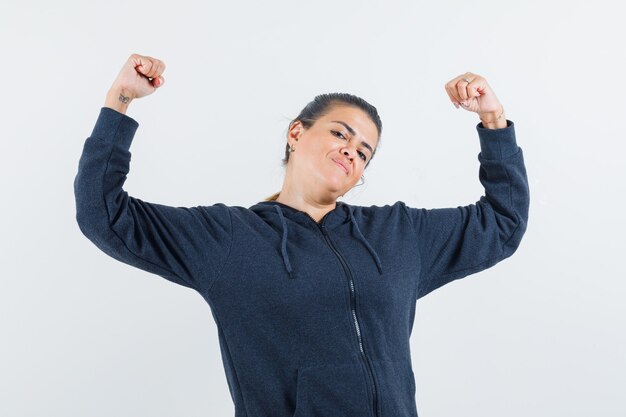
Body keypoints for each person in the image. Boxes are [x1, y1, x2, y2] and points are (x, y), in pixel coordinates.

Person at [74, 53, 529, 417]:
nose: (351, 151)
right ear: (296, 132)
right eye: (340, 134)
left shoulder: (397, 235)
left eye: (364, 152)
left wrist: (493, 120)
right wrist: (120, 101)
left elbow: (502, 224)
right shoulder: (228, 238)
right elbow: (104, 214)